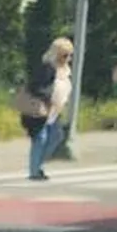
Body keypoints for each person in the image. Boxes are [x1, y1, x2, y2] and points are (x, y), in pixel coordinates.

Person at [22, 36, 76, 181]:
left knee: (56, 136)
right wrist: (47, 98)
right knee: (41, 138)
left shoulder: (65, 70)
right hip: (40, 110)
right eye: (65, 55)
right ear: (57, 54)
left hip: (54, 111)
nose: (68, 58)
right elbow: (36, 88)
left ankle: (39, 165)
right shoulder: (47, 68)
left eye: (70, 55)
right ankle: (35, 171)